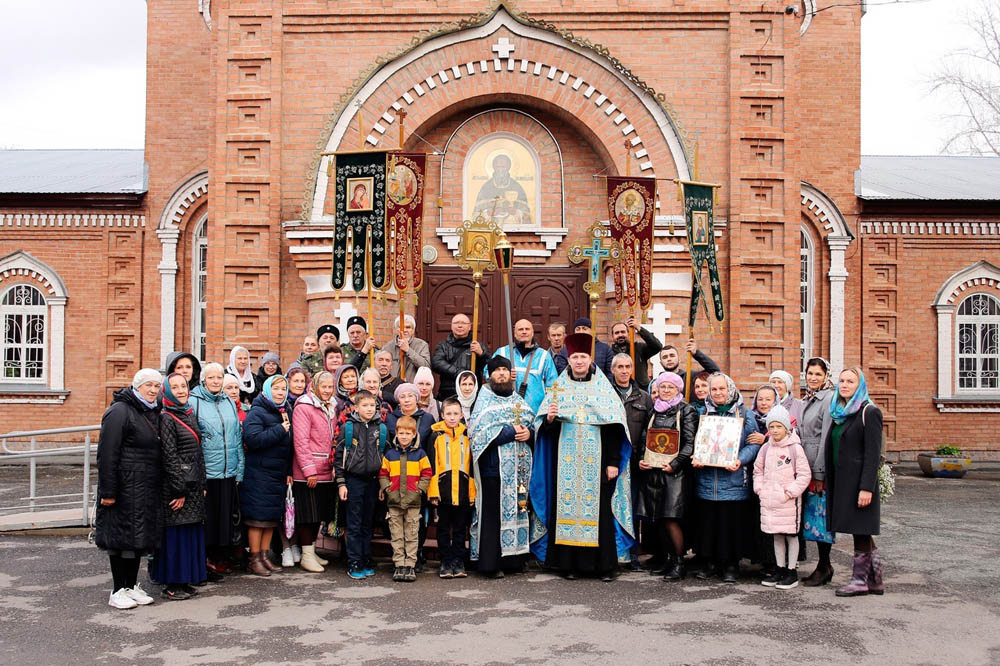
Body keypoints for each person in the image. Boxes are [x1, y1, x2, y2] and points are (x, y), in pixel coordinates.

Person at [530, 333, 634, 582]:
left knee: (600, 513)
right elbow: (546, 434)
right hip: (565, 464)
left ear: (590, 359)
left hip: (596, 464)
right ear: (568, 359)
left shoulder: (603, 389)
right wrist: (550, 420)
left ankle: (604, 566)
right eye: (575, 357)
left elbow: (613, 427)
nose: (578, 361)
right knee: (564, 510)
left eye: (583, 357)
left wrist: (612, 462)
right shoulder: (558, 389)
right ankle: (568, 565)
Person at [96, 369, 164, 610]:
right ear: (137, 386)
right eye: (148, 385)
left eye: (157, 385)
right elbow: (107, 454)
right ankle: (117, 589)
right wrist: (108, 491)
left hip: (144, 487)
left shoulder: (152, 410)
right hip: (123, 487)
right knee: (120, 539)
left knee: (137, 538)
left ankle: (131, 585)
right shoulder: (120, 411)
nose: (153, 390)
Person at [468, 356, 536, 579]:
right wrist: (511, 431)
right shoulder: (484, 399)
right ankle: (491, 563)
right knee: (493, 516)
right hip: (493, 470)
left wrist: (530, 433)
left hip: (519, 472)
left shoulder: (519, 400)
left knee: (519, 511)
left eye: (505, 370)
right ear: (489, 375)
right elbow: (479, 433)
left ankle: (514, 560)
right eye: (497, 371)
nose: (501, 374)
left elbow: (531, 424)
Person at [692, 372, 760, 584]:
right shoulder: (703, 413)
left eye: (722, 388)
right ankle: (710, 562)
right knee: (709, 523)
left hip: (733, 481)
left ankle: (731, 564)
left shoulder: (745, 415)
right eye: (714, 389)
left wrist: (740, 459)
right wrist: (697, 455)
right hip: (708, 481)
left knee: (731, 525)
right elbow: (695, 441)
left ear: (730, 389)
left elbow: (754, 444)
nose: (718, 393)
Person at [827, 367, 885, 597]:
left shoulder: (869, 412)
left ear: (859, 385)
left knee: (861, 529)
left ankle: (860, 580)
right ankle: (874, 578)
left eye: (850, 381)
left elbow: (873, 454)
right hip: (843, 481)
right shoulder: (840, 412)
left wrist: (866, 488)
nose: (845, 385)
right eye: (841, 381)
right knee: (859, 530)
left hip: (859, 483)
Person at [636, 371, 698, 581]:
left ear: (678, 389)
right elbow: (645, 438)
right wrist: (641, 459)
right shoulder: (654, 410)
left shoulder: (686, 410)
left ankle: (679, 562)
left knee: (672, 518)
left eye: (670, 387)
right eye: (662, 387)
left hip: (675, 474)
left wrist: (675, 464)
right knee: (659, 518)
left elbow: (690, 443)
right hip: (654, 471)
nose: (666, 390)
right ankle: (669, 560)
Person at [153, 373, 208, 601]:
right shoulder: (166, 417)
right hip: (178, 488)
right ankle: (171, 583)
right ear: (166, 392)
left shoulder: (188, 413)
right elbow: (169, 457)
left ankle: (184, 580)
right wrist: (179, 491)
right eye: (175, 387)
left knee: (188, 534)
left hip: (193, 486)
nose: (181, 391)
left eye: (183, 386)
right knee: (175, 537)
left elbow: (197, 451)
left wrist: (202, 483)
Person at [189, 362, 244, 576]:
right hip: (207, 472)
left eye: (219, 377)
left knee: (224, 519)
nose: (215, 381)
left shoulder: (228, 401)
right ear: (204, 379)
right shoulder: (194, 401)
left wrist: (239, 469)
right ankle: (206, 559)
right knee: (208, 519)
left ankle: (219, 557)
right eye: (211, 377)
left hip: (228, 470)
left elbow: (237, 438)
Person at [753, 404, 811, 590]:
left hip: (787, 502)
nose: (775, 430)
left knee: (791, 536)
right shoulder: (765, 449)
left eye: (779, 426)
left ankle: (791, 571)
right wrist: (759, 489)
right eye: (772, 427)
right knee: (776, 535)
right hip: (769, 501)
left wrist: (789, 492)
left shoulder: (795, 449)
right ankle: (779, 568)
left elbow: (804, 475)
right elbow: (758, 470)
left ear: (787, 427)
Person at [241, 375, 294, 577]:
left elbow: (289, 445)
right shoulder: (258, 411)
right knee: (257, 519)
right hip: (259, 473)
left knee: (271, 519)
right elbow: (253, 439)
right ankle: (254, 559)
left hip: (277, 473)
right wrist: (279, 430)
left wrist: (289, 471)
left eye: (283, 389)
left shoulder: (285, 409)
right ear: (267, 390)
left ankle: (265, 557)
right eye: (276, 388)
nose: (280, 392)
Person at [608, 353, 653, 571]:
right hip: (610, 461)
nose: (625, 371)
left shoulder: (644, 397)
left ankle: (632, 553)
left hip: (635, 462)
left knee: (633, 508)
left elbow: (649, 431)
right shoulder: (604, 393)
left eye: (628, 366)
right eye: (620, 367)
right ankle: (612, 552)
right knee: (609, 507)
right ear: (613, 369)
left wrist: (645, 456)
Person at [290, 371, 338, 573]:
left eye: (330, 387)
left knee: (318, 513)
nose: (327, 390)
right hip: (308, 472)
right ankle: (306, 555)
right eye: (323, 387)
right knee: (307, 515)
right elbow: (300, 442)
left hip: (326, 469)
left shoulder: (332, 406)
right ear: (315, 386)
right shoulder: (304, 407)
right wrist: (309, 470)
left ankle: (312, 550)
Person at [335, 390, 385, 580]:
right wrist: (341, 483)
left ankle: (365, 558)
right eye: (365, 405)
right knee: (354, 524)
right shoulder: (349, 428)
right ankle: (354, 561)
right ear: (356, 407)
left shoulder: (380, 428)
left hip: (372, 482)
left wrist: (382, 485)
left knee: (367, 523)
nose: (369, 409)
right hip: (353, 481)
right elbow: (339, 456)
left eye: (372, 405)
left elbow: (385, 458)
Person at [379, 415, 432, 582]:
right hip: (394, 501)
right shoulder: (390, 454)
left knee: (411, 534)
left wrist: (419, 490)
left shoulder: (420, 454)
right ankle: (398, 563)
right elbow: (383, 474)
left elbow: (427, 473)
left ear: (414, 434)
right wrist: (387, 488)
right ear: (396, 433)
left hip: (413, 501)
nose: (404, 437)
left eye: (408, 433)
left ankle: (410, 564)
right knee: (396, 534)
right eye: (401, 433)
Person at [428, 398, 476, 578]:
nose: (452, 417)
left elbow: (471, 468)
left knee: (459, 528)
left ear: (462, 415)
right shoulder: (436, 436)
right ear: (442, 415)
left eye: (456, 414)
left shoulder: (467, 436)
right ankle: (445, 561)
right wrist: (433, 492)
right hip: (443, 491)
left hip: (463, 491)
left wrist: (472, 494)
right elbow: (432, 465)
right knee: (443, 527)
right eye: (448, 413)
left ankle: (458, 561)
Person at [799, 357, 836, 586]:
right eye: (810, 373)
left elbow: (826, 437)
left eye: (817, 375)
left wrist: (820, 473)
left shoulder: (828, 399)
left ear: (826, 377)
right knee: (813, 516)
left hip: (817, 466)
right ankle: (823, 565)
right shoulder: (808, 398)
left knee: (820, 518)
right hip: (806, 463)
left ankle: (825, 565)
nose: (813, 378)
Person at [488, 318, 558, 414]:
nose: (524, 332)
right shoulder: (502, 353)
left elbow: (553, 386)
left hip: (535, 412)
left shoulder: (544, 356)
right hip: (506, 412)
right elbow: (488, 374)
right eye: (520, 329)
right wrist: (504, 376)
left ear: (532, 332)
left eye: (527, 329)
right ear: (515, 333)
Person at [432, 313, 490, 400]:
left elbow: (489, 367)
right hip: (448, 393)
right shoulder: (443, 346)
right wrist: (460, 374)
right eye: (456, 323)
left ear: (470, 327)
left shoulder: (477, 346)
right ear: (451, 326)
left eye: (463, 323)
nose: (459, 326)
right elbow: (437, 363)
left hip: (471, 393)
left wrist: (482, 354)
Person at [610, 316, 663, 388]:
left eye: (623, 332)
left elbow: (657, 346)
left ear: (628, 334)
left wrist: (639, 328)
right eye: (617, 333)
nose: (620, 335)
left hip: (641, 391)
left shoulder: (639, 348)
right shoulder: (609, 353)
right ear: (612, 336)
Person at [380, 314, 431, 382]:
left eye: (408, 327)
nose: (404, 330)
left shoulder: (421, 345)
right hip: (391, 388)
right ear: (396, 329)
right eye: (401, 327)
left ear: (413, 330)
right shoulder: (387, 347)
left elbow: (425, 366)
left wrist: (408, 350)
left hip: (412, 388)